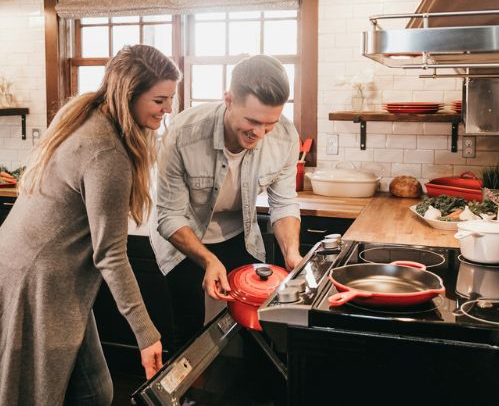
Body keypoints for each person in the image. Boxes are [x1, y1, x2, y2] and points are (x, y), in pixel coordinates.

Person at [0, 44, 182, 406]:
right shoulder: (107, 151)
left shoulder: (86, 112)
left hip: (23, 264)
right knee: (81, 393)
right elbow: (111, 255)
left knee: (92, 391)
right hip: (41, 281)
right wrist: (147, 336)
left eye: (170, 99)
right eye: (159, 100)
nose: (167, 109)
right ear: (129, 93)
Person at [150, 54, 302, 352]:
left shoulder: (284, 136)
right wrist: (208, 260)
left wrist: (292, 253)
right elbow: (169, 215)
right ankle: (187, 398)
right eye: (252, 121)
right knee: (189, 331)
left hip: (239, 234)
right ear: (229, 99)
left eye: (269, 124)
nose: (259, 133)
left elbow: (283, 203)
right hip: (184, 238)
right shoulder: (183, 133)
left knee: (255, 327)